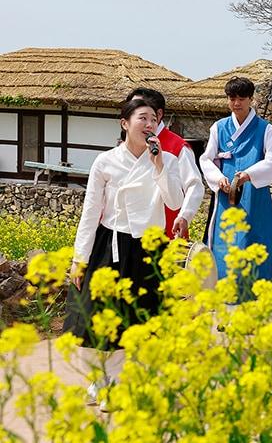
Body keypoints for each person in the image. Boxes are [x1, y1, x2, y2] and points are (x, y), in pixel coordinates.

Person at [65, 99, 184, 398]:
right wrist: (79, 258)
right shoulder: (105, 161)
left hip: (148, 247)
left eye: (153, 119)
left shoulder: (167, 160)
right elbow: (91, 211)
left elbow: (174, 202)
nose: (149, 124)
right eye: (142, 118)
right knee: (99, 314)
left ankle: (125, 382)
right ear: (124, 123)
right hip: (110, 243)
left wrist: (159, 166)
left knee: (141, 317)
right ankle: (101, 379)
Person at [200, 77, 272, 283]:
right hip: (225, 195)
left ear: (251, 99)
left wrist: (249, 174)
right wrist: (218, 178)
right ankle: (224, 288)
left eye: (241, 98)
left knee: (255, 240)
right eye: (232, 99)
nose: (236, 103)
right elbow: (206, 159)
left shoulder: (265, 129)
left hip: (254, 195)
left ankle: (258, 289)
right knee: (225, 241)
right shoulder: (219, 127)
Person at [126, 88, 204, 240]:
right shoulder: (126, 146)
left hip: (166, 229)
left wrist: (184, 215)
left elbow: (194, 185)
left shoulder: (177, 147)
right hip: (128, 230)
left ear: (159, 114)